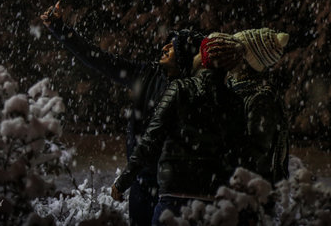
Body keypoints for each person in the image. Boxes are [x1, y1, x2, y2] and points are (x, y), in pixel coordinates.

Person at [40, 1, 204, 226]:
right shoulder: (147, 75)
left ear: (185, 56)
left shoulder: (194, 91)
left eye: (173, 46)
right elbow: (99, 59)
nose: (165, 48)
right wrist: (60, 29)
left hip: (174, 186)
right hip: (142, 180)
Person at [111, 34, 246, 226]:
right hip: (211, 198)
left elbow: (151, 138)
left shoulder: (180, 89)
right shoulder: (235, 102)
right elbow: (236, 154)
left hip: (173, 194)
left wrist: (123, 181)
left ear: (205, 57)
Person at [229, 28, 290, 185]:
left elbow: (255, 153)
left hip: (251, 192)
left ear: (247, 60)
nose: (229, 55)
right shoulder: (240, 90)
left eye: (235, 50)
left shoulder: (261, 99)